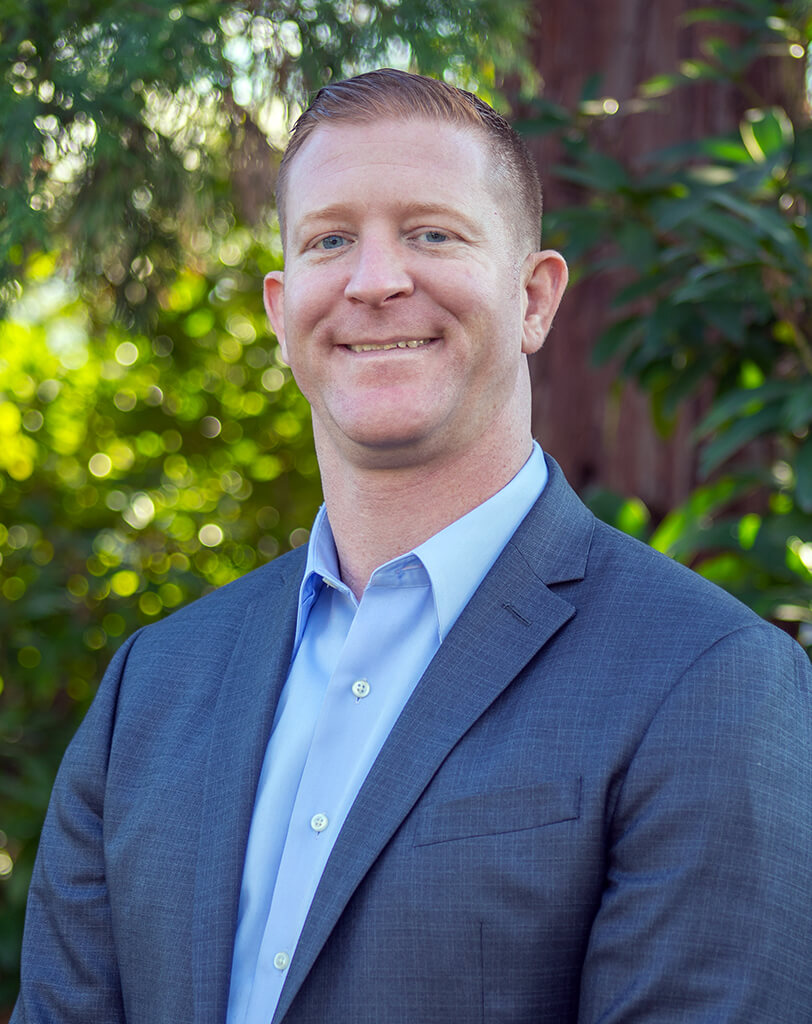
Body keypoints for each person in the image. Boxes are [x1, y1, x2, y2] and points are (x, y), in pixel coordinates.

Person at [12, 69, 812, 1024]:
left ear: (534, 299)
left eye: (433, 233)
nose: (375, 280)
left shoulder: (710, 677)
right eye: (330, 240)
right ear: (280, 312)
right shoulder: (152, 685)